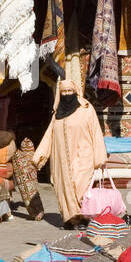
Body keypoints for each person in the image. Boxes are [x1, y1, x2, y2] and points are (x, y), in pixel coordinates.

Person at [33, 79, 108, 226]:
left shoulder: (87, 109)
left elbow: (96, 133)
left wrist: (100, 157)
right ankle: (70, 218)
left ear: (76, 92)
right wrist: (39, 156)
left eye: (70, 91)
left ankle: (84, 216)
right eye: (64, 92)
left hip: (83, 156)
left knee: (81, 186)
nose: (67, 94)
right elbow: (49, 135)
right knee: (64, 188)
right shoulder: (57, 114)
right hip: (61, 159)